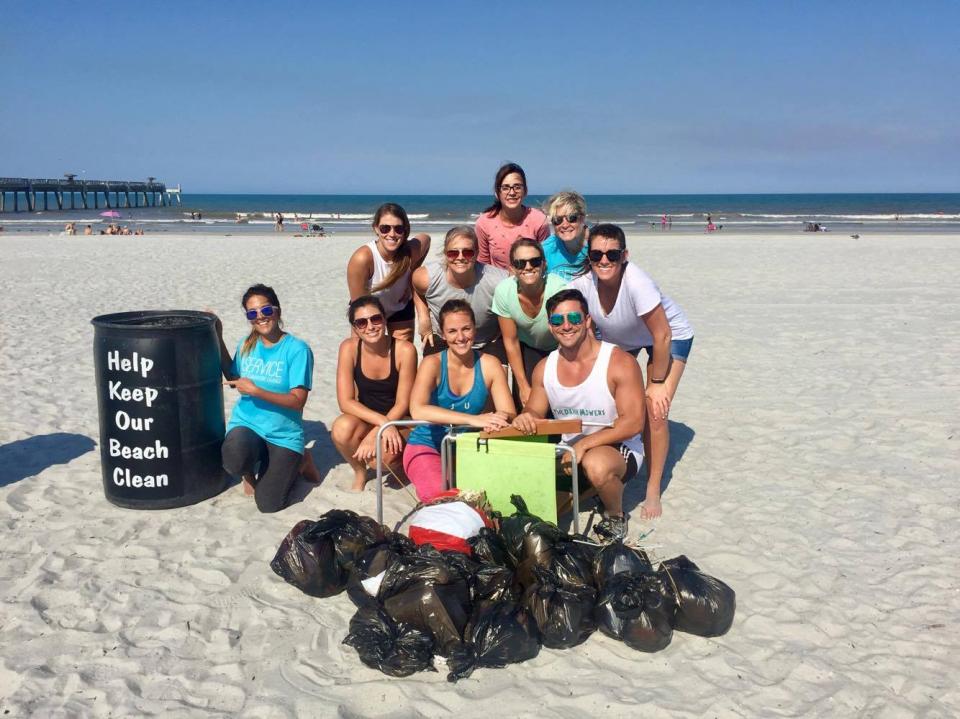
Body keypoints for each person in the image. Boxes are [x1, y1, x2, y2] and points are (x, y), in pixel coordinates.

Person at [567, 223, 694, 520]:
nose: (604, 261)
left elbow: (662, 335)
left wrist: (658, 383)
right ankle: (616, 464)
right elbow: (562, 312)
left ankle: (652, 487)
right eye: (597, 254)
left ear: (625, 255)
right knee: (613, 403)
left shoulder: (637, 283)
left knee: (655, 409)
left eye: (612, 254)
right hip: (624, 339)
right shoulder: (584, 286)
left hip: (669, 337)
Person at [512, 289, 646, 541]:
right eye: (557, 321)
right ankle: (591, 488)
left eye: (574, 318)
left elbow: (633, 423)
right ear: (550, 327)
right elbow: (535, 410)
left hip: (616, 446)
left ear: (587, 321)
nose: (566, 326)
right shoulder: (545, 367)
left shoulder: (618, 362)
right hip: (569, 452)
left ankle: (615, 516)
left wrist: (585, 444)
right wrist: (526, 416)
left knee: (596, 465)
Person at [215, 284, 316, 513]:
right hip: (248, 424)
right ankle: (251, 468)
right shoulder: (246, 344)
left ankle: (301, 460)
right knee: (233, 459)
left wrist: (256, 391)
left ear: (277, 311)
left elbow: (297, 400)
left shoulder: (297, 349)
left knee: (268, 504)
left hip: (283, 435)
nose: (260, 317)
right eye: (252, 313)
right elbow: (234, 377)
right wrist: (218, 337)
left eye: (265, 310)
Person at [403, 300, 516, 502]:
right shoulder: (433, 363)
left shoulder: (490, 364)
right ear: (443, 334)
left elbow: (508, 411)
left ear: (475, 329)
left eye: (466, 329)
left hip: (468, 446)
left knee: (490, 498)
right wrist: (472, 419)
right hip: (428, 444)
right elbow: (417, 409)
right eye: (453, 331)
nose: (461, 337)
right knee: (442, 498)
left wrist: (501, 417)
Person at [332, 296, 418, 491]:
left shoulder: (404, 350)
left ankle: (403, 464)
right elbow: (345, 402)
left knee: (379, 460)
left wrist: (376, 433)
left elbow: (403, 403)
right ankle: (359, 472)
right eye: (361, 322)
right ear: (355, 328)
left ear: (385, 319)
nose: (370, 326)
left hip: (400, 419)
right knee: (341, 427)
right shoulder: (349, 348)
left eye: (375, 319)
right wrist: (380, 424)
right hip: (371, 417)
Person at [412, 225, 507, 356]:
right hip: (444, 338)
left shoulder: (498, 281)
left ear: (477, 253)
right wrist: (423, 317)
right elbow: (417, 290)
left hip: (486, 341)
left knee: (498, 374)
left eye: (468, 252)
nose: (460, 257)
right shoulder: (426, 278)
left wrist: (503, 331)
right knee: (430, 372)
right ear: (445, 254)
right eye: (453, 253)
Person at [492, 239, 566, 405]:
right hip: (527, 348)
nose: (528, 267)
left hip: (559, 347)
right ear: (512, 269)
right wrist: (523, 386)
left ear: (544, 265)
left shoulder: (559, 289)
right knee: (526, 403)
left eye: (535, 261)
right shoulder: (504, 291)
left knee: (557, 400)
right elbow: (510, 341)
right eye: (520, 263)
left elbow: (567, 332)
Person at [347, 202, 431, 341]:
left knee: (403, 353)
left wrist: (412, 277)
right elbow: (359, 307)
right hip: (367, 311)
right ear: (376, 229)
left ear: (405, 231)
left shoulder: (410, 252)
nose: (392, 234)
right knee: (364, 352)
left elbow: (426, 239)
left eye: (398, 229)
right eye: (385, 228)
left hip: (400, 308)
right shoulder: (363, 258)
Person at [475, 162, 549, 270]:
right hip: (497, 283)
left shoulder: (539, 220)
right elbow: (482, 266)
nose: (512, 192)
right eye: (505, 188)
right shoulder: (484, 223)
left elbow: (544, 260)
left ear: (525, 191)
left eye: (517, 187)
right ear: (497, 193)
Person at [541, 191, 590, 281]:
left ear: (582, 218)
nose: (565, 225)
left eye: (571, 218)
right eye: (557, 220)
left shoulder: (595, 248)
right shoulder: (546, 250)